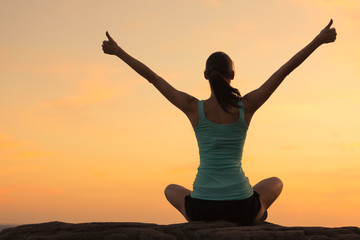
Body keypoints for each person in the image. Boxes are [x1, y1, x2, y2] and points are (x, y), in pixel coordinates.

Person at [102, 19, 337, 225]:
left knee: (170, 189)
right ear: (232, 75)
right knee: (275, 182)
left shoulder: (193, 107)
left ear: (206, 75)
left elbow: (153, 78)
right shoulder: (247, 106)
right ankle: (259, 213)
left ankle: (225, 209)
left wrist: (118, 51)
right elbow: (283, 72)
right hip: (242, 209)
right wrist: (318, 40)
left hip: (202, 209)